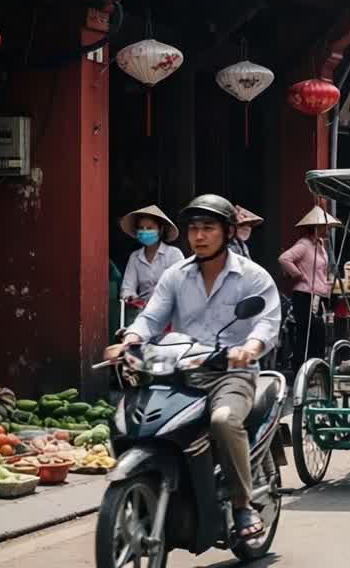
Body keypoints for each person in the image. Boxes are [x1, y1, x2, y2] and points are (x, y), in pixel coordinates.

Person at [108, 194, 282, 540]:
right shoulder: (176, 275)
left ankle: (242, 504)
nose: (199, 236)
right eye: (193, 229)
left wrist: (250, 347)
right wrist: (130, 338)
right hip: (177, 371)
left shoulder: (252, 276)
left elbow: (266, 322)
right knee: (134, 420)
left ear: (228, 233)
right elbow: (153, 316)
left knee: (223, 420)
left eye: (208, 228)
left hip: (230, 374)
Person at [278, 206, 335, 367]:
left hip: (318, 294)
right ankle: (300, 369)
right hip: (304, 295)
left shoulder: (320, 244)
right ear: (316, 227)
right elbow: (284, 259)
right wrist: (298, 275)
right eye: (324, 226)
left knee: (319, 334)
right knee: (306, 335)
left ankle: (315, 369)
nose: (327, 229)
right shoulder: (303, 244)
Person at [118, 205, 186, 323]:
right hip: (142, 313)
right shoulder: (135, 257)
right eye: (141, 228)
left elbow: (181, 286)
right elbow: (127, 287)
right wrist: (131, 297)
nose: (145, 231)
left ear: (160, 230)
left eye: (149, 228)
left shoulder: (173, 254)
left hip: (171, 314)